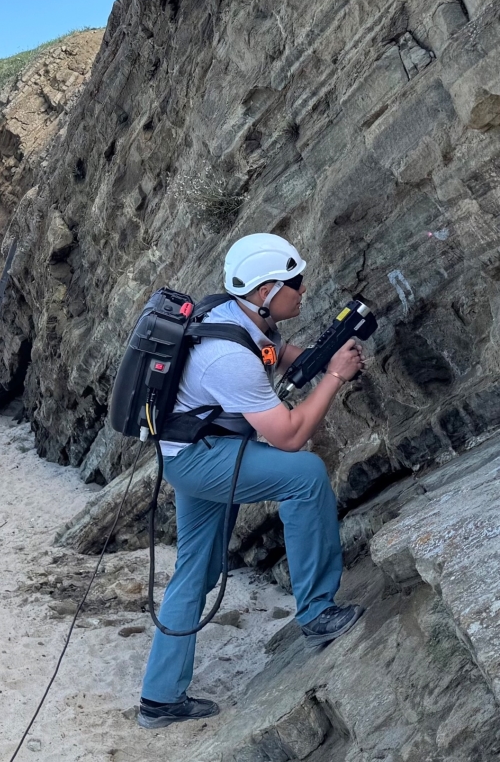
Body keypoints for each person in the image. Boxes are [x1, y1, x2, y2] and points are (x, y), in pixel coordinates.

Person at [137, 233, 366, 729]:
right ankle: (317, 612)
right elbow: (290, 435)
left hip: (189, 451)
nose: (303, 290)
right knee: (305, 475)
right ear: (265, 291)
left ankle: (159, 699)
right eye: (294, 282)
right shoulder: (228, 357)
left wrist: (329, 352)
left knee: (198, 568)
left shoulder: (238, 316)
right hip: (201, 459)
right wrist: (335, 378)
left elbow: (281, 355)